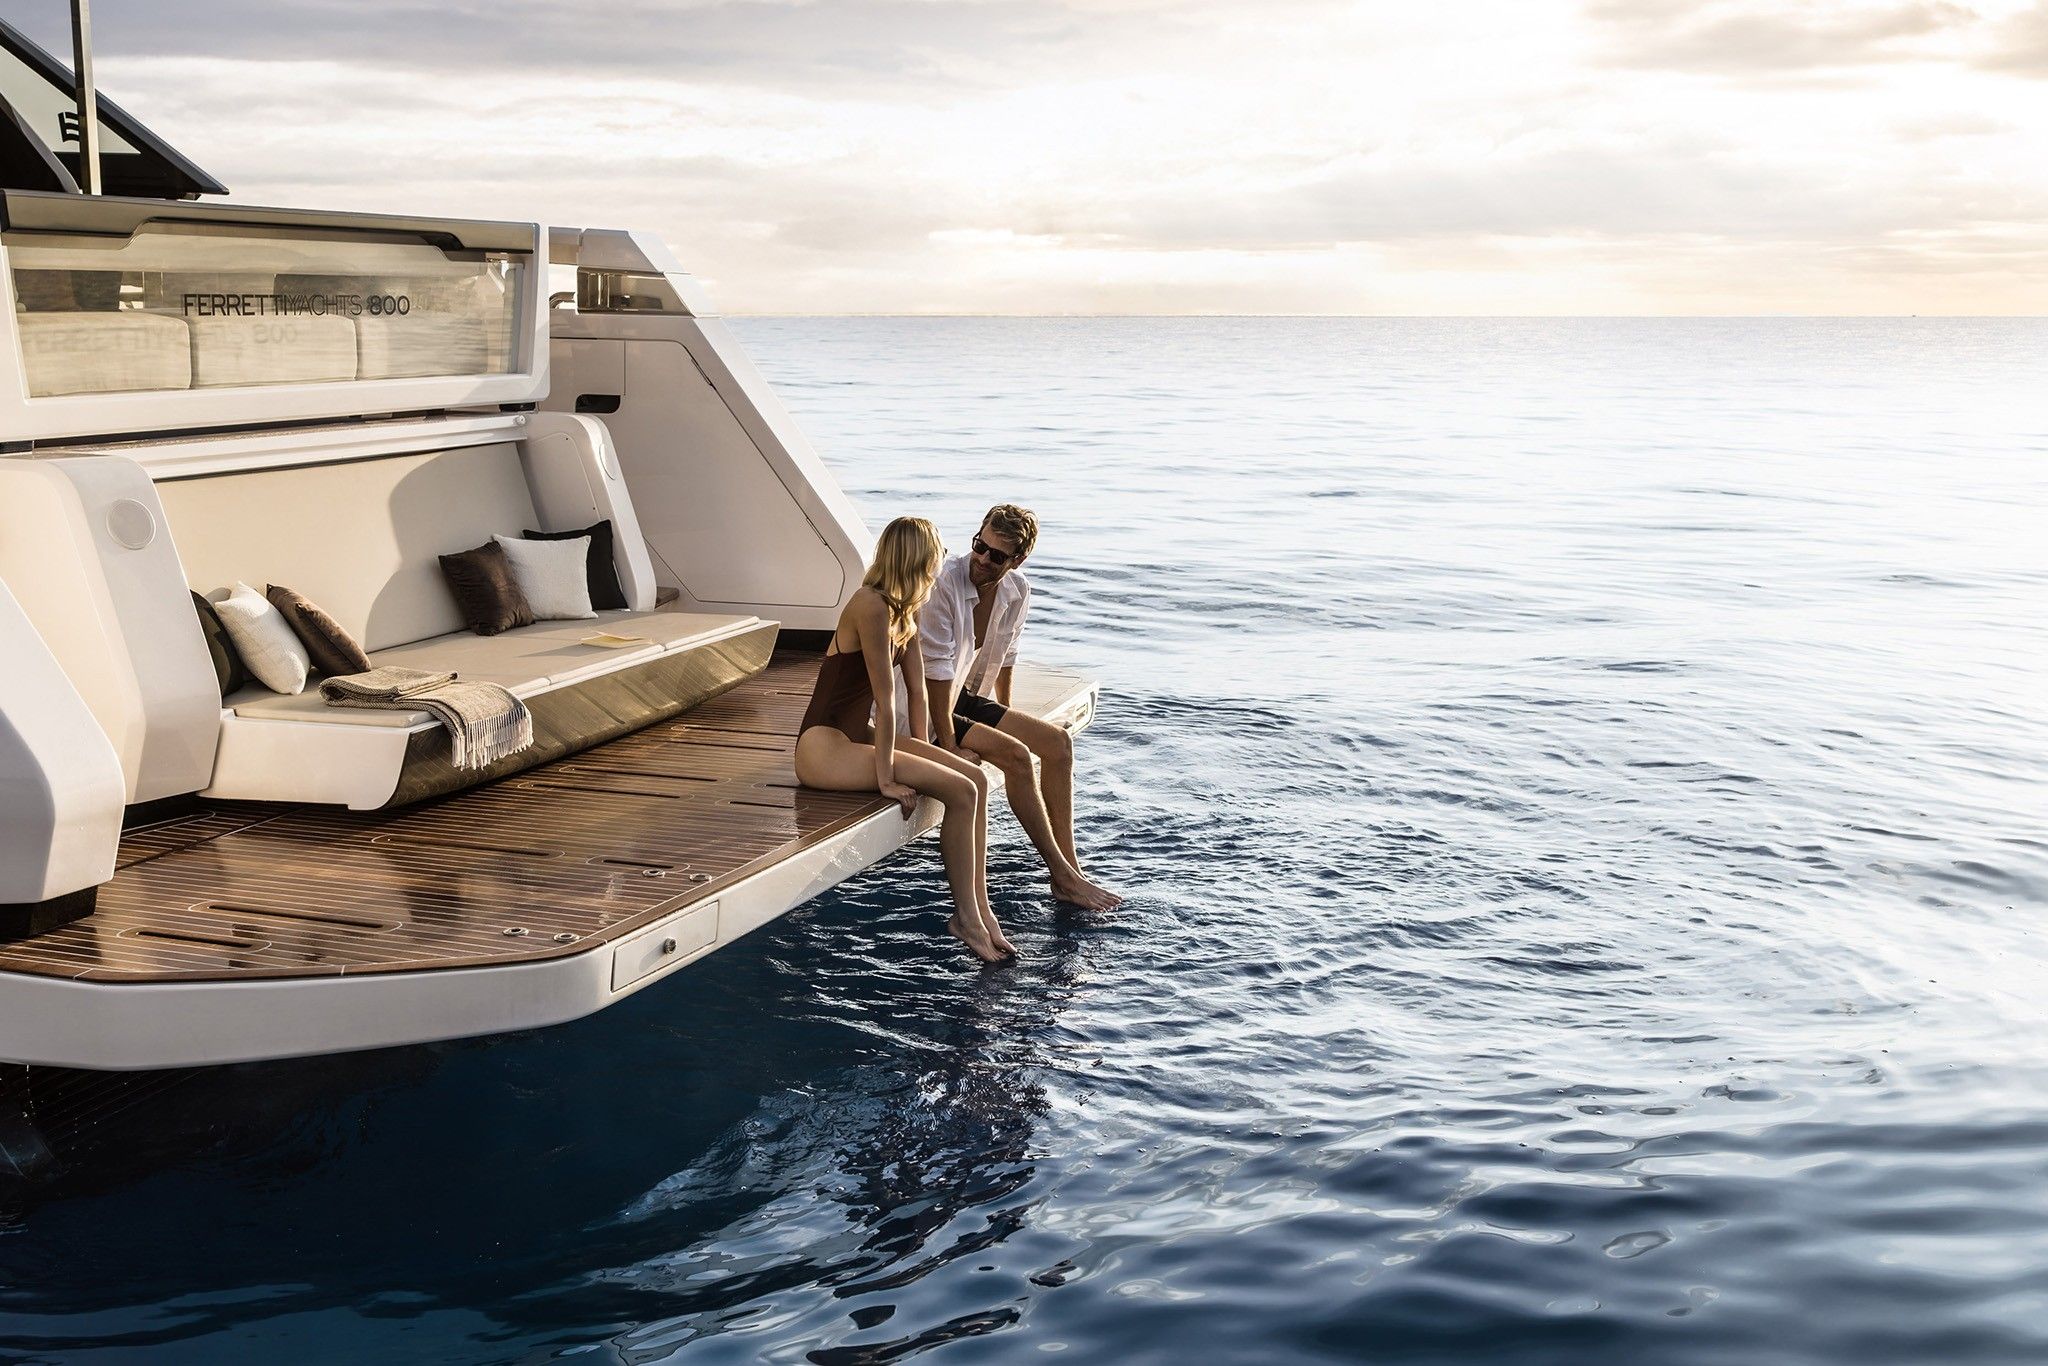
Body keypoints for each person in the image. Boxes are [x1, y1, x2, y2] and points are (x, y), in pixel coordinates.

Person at [795, 516, 1017, 963]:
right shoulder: (869, 605)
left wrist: (927, 749)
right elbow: (885, 693)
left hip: (857, 737)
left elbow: (917, 693)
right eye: (935, 553)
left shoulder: (903, 611)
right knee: (958, 791)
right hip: (822, 747)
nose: (941, 562)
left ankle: (981, 909)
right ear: (917, 557)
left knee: (971, 779)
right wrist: (887, 780)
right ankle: (965, 919)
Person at [919, 504, 1122, 912]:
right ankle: (1061, 874)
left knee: (1058, 743)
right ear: (976, 536)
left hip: (962, 694)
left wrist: (1008, 714)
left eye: (996, 555)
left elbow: (1006, 656)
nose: (982, 558)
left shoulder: (1017, 589)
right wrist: (946, 743)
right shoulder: (944, 584)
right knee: (1016, 758)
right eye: (980, 545)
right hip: (925, 701)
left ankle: (1069, 869)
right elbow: (933, 675)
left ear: (1018, 560)